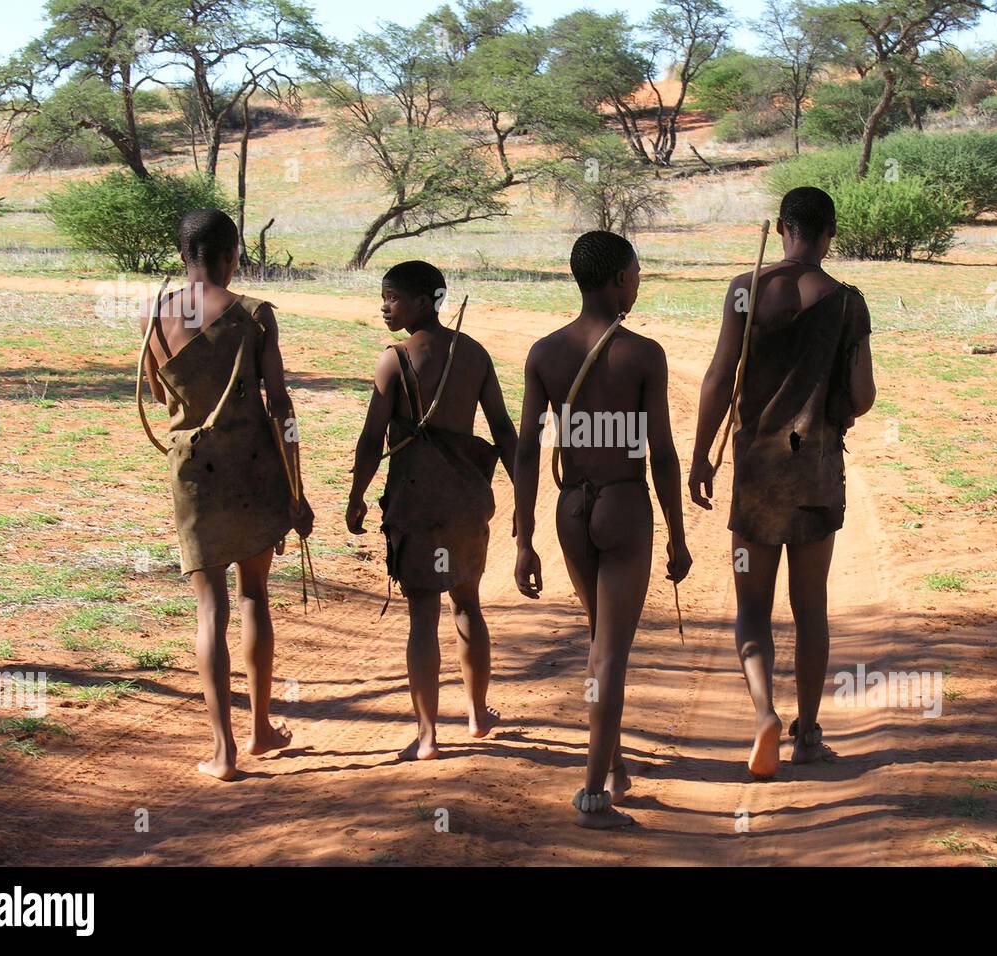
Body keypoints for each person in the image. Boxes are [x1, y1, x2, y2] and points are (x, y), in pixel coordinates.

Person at [688, 187, 876, 778]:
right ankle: (809, 734)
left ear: (781, 227)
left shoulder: (746, 288)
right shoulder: (848, 303)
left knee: (752, 608)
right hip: (816, 472)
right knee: (811, 606)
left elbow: (720, 376)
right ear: (830, 235)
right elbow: (865, 395)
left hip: (756, 476)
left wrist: (701, 456)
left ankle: (765, 712)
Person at [513, 230, 692, 828]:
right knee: (610, 654)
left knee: (598, 642)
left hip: (571, 509)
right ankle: (592, 793)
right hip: (624, 506)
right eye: (637, 273)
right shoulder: (644, 355)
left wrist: (523, 537)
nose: (638, 282)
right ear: (618, 280)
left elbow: (526, 451)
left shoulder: (544, 352)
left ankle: (612, 765)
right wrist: (678, 532)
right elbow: (661, 453)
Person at [138, 208, 314, 781]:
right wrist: (297, 485)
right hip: (256, 468)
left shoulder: (154, 316)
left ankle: (223, 751)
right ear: (230, 254)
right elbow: (281, 406)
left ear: (185, 252)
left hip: (192, 471)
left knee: (209, 606)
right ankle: (262, 727)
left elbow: (156, 393)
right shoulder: (255, 317)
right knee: (254, 596)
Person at [347, 260, 518, 761]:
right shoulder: (474, 354)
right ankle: (477, 713)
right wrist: (522, 497)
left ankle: (426, 736)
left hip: (415, 503)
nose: (384, 306)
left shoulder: (394, 360)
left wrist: (357, 494)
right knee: (468, 604)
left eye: (393, 297)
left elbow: (371, 437)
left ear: (426, 301)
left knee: (422, 614)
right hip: (464, 502)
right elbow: (504, 430)